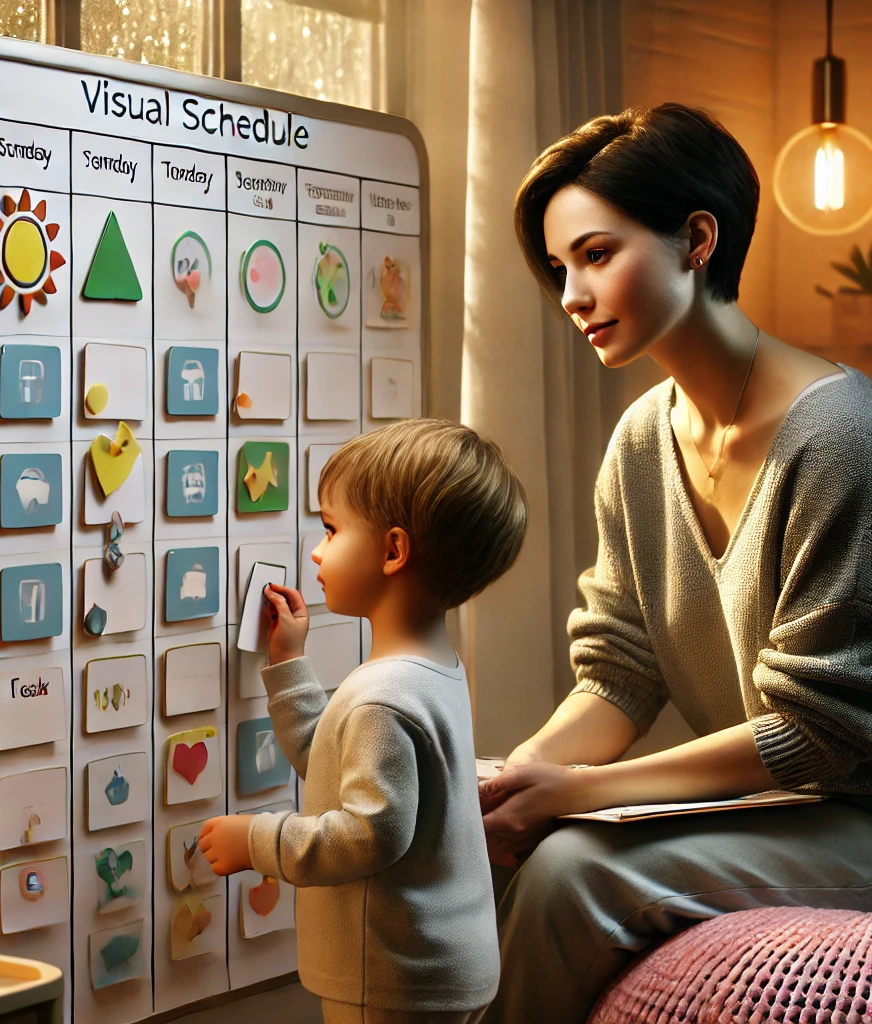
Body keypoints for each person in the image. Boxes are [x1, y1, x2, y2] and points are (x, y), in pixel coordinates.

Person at [478, 102, 872, 1024]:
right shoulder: (640, 441)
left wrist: (579, 796)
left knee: (571, 866)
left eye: (596, 254)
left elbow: (820, 733)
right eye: (558, 266)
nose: (570, 295)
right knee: (510, 840)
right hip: (779, 811)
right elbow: (620, 668)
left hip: (854, 812)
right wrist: (519, 780)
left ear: (698, 238)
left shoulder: (841, 437)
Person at [199, 419, 528, 1024]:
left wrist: (257, 842)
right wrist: (291, 667)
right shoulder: (433, 669)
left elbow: (368, 835)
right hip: (437, 965)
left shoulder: (384, 696)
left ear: (393, 550)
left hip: (394, 979)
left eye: (331, 529)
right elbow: (334, 761)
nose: (318, 550)